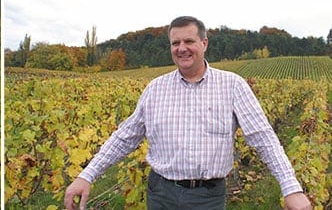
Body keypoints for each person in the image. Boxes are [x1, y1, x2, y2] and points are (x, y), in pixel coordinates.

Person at [62, 16, 313, 210]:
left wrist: (290, 188)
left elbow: (263, 137)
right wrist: (86, 175)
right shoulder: (155, 89)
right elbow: (125, 137)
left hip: (207, 196)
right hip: (160, 193)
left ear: (204, 44)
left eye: (189, 41)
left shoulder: (233, 85)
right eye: (176, 43)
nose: (182, 48)